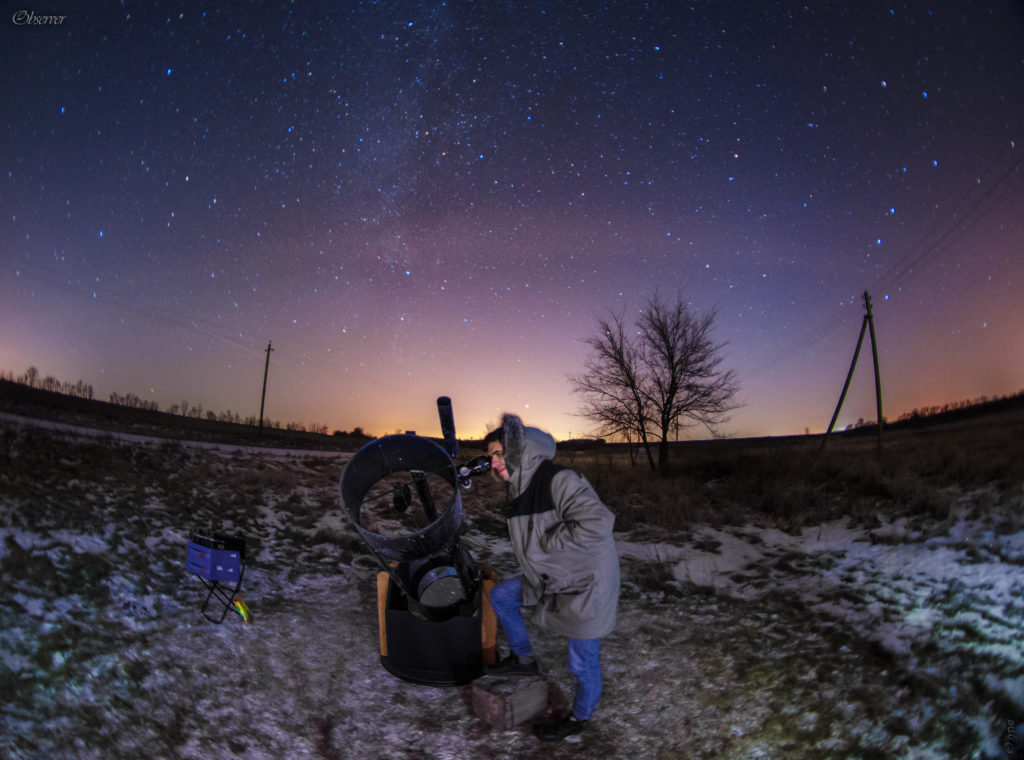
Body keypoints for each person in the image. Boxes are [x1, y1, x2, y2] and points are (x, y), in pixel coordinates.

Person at [481, 413, 620, 742]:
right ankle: (523, 659)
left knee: (582, 660)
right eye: (490, 456)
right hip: (551, 576)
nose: (493, 462)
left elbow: (598, 522)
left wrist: (550, 543)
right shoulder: (521, 486)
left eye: (499, 453)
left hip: (586, 582)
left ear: (519, 450)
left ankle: (580, 716)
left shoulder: (557, 478)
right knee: (501, 597)